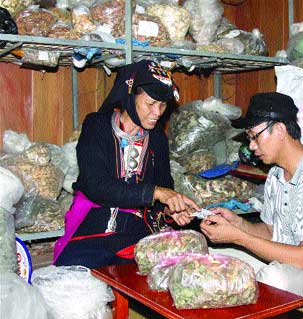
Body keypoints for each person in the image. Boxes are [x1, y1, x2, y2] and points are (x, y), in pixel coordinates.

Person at [200, 92, 303, 296]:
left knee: (273, 277)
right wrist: (238, 224)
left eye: (255, 136)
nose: (252, 146)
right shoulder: (275, 175)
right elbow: (272, 233)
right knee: (211, 256)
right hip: (281, 261)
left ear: (280, 129)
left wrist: (239, 238)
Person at [54, 60, 199, 269]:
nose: (158, 113)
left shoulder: (157, 138)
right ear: (130, 96)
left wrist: (171, 210)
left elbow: (164, 188)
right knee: (77, 277)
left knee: (158, 272)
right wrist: (156, 193)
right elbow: (96, 185)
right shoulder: (97, 126)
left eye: (163, 105)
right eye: (150, 104)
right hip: (93, 226)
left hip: (137, 229)